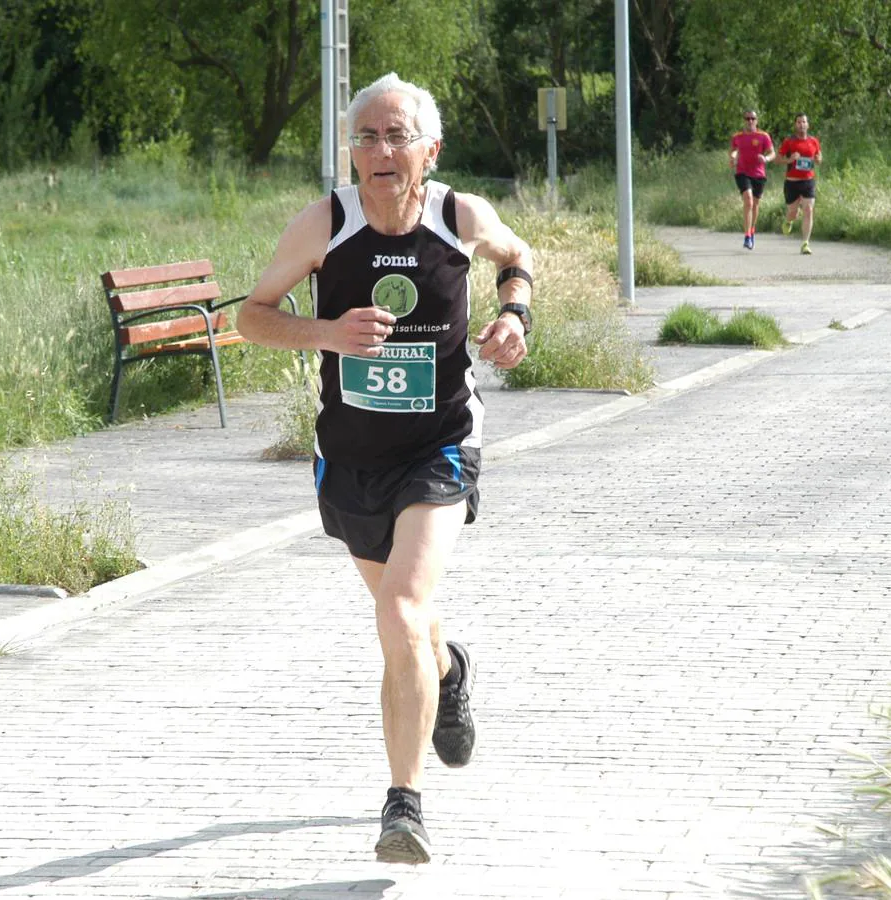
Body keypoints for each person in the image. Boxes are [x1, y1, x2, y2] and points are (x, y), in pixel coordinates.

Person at [236, 73, 533, 865]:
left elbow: (516, 254)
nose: (379, 150)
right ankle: (449, 669)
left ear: (428, 151)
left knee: (400, 607)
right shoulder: (322, 225)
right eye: (365, 136)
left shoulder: (454, 215)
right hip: (351, 461)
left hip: (438, 447)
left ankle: (403, 806)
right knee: (411, 626)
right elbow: (251, 317)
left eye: (396, 135)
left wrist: (514, 312)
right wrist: (325, 333)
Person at [730, 109, 776, 250]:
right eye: (747, 118)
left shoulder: (763, 136)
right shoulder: (737, 136)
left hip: (759, 174)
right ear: (743, 120)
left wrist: (766, 158)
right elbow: (733, 150)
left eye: (752, 118)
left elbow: (772, 153)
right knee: (748, 200)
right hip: (742, 172)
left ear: (756, 121)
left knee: (755, 204)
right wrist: (733, 157)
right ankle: (747, 236)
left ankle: (752, 229)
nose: (750, 121)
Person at [778, 113, 822, 254]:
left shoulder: (814, 141)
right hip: (792, 182)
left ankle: (805, 243)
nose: (801, 124)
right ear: (795, 125)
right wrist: (789, 159)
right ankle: (789, 221)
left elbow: (819, 157)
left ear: (808, 125)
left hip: (808, 181)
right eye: (799, 122)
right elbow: (777, 159)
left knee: (808, 209)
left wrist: (818, 159)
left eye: (804, 122)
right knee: (793, 212)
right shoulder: (789, 142)